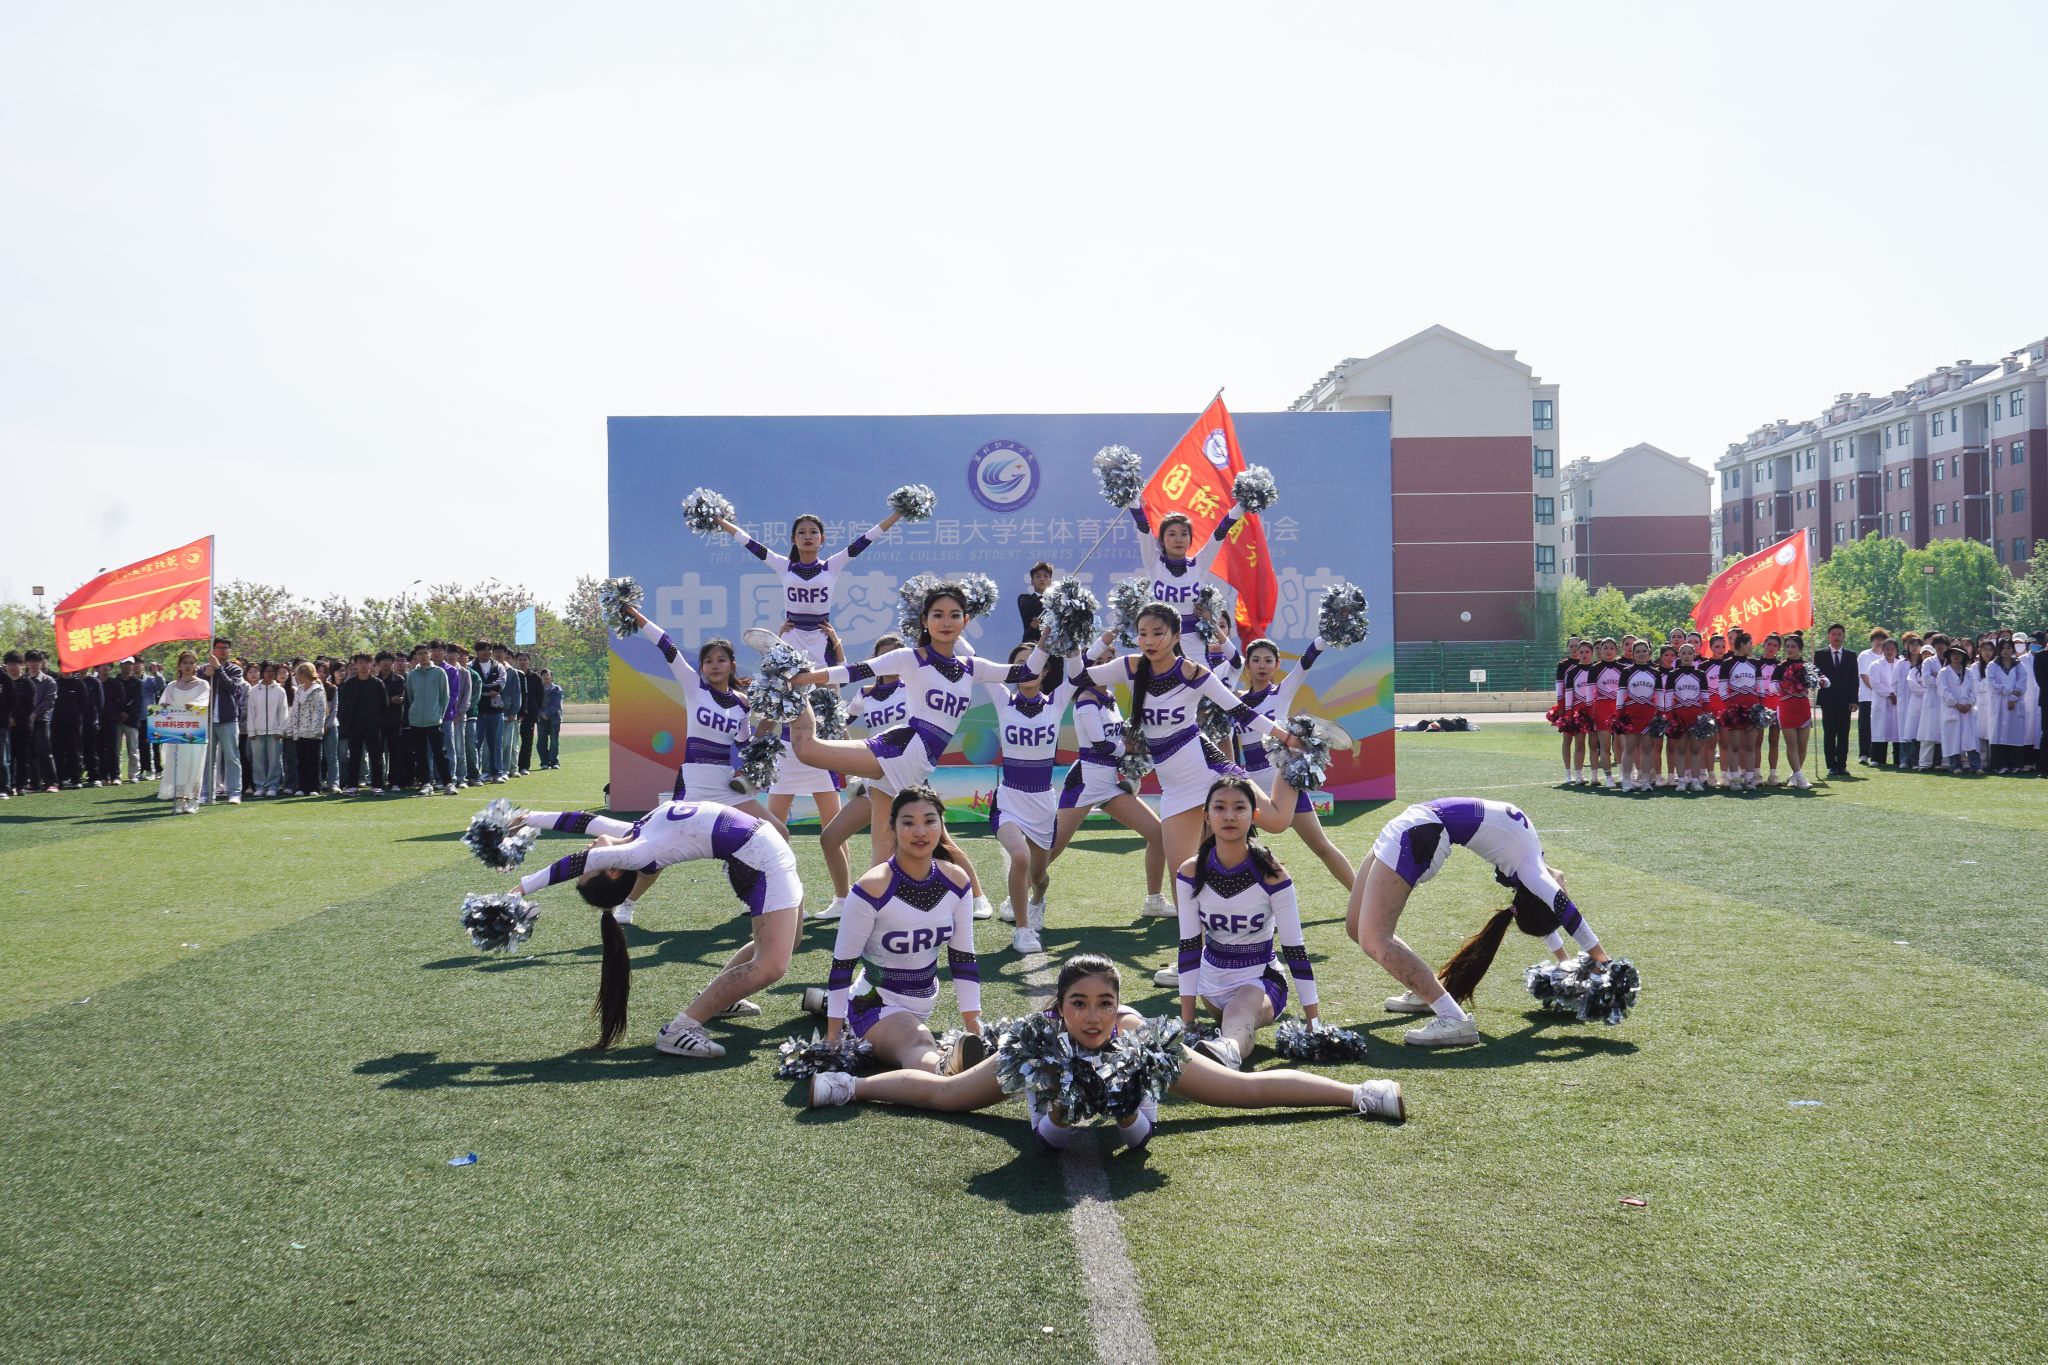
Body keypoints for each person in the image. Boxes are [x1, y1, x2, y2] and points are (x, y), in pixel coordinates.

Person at [807, 953, 1406, 1136]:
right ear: (1057, 1008)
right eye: (1078, 1003)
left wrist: (1358, 1093)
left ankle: (1359, 1093)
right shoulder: (1041, 1039)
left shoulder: (1135, 1036)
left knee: (1235, 1092)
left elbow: (1245, 1091)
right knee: (951, 1095)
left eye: (1104, 1004)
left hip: (1134, 1072)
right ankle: (849, 1084)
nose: (1093, 1017)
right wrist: (853, 1085)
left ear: (1118, 1007)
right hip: (1048, 1075)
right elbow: (946, 1097)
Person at [785, 581, 1042, 895]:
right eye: (937, 614)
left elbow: (1026, 673)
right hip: (903, 745)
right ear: (924, 620)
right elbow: (856, 671)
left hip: (917, 755)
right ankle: (882, 907)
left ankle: (962, 897)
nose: (946, 622)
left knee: (809, 751)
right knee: (881, 850)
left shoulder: (972, 667)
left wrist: (1047, 638)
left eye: (954, 615)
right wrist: (807, 677)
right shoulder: (909, 657)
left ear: (965, 620)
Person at [1077, 603, 1298, 962]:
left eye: (1158, 633)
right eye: (1142, 634)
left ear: (1177, 636)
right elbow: (1078, 676)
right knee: (1183, 877)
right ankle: (1195, 960)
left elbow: (1239, 710)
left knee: (1276, 821)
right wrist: (1104, 636)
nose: (1149, 641)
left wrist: (1285, 738)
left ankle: (1294, 768)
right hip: (1175, 786)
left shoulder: (1193, 672)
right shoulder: (1130, 666)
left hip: (1209, 769)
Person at [511, 801, 804, 1058]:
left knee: (791, 940)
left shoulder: (637, 832)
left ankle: (722, 999)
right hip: (760, 860)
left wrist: (528, 817)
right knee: (771, 966)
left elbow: (584, 821)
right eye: (589, 871)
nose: (586, 849)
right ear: (612, 869)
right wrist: (520, 890)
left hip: (764, 850)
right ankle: (679, 1030)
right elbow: (580, 862)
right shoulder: (637, 853)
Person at [1358, 797, 1604, 1048]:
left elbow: (1563, 911)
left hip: (1419, 831)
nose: (1564, 888)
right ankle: (1425, 990)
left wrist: (1599, 961)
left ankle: (1454, 1019)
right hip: (1414, 823)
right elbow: (1549, 911)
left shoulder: (1532, 871)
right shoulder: (1530, 871)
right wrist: (1571, 961)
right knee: (1356, 926)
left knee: (1375, 940)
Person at [818, 786, 983, 1075]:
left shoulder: (956, 880)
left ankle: (817, 1001)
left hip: (924, 1002)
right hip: (875, 1003)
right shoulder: (871, 887)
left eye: (930, 821)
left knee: (920, 1034)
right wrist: (833, 1037)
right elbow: (843, 964)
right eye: (908, 822)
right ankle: (943, 1069)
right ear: (892, 827)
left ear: (941, 825)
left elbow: (963, 958)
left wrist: (974, 1024)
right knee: (919, 1042)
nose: (920, 832)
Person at [1174, 777, 1320, 1072]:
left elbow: (1294, 948)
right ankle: (1221, 1046)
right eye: (1219, 807)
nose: (1229, 816)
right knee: (1232, 1013)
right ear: (1207, 816)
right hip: (1211, 985)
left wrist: (1313, 1022)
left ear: (1254, 815)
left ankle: (1225, 1055)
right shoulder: (1190, 871)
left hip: (1261, 981)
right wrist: (1188, 1023)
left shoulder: (1273, 875)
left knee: (1240, 1011)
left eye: (1239, 808)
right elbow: (1189, 947)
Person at [1045, 629, 1169, 921]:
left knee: (1159, 835)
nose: (1103, 666)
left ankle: (1154, 900)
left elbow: (1117, 734)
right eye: (1097, 662)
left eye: (1108, 661)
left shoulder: (1109, 696)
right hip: (1085, 782)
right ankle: (1016, 897)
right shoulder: (1086, 698)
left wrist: (1135, 739)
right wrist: (1128, 747)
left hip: (1110, 785)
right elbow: (1100, 744)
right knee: (1052, 848)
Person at [985, 640, 1095, 954]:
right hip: (1009, 799)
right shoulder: (1002, 699)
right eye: (1020, 664)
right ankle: (1022, 931)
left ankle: (1037, 900)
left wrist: (1071, 639)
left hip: (1043, 804)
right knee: (1019, 857)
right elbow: (971, 657)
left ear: (1045, 671)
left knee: (1039, 876)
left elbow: (1080, 670)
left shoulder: (1056, 702)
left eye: (1034, 663)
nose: (1027, 669)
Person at [715, 499, 904, 668]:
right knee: (788, 691)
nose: (807, 537)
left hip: (821, 639)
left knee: (828, 692)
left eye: (813, 532)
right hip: (791, 637)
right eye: (801, 532)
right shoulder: (784, 566)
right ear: (793, 539)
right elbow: (749, 543)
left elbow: (866, 539)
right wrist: (719, 520)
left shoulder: (831, 566)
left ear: (822, 539)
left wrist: (898, 513)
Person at [1233, 633, 1354, 887]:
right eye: (1256, 660)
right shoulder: (1235, 703)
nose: (1262, 665)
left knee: (1320, 845)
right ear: (1248, 664)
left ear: (1277, 665)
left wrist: (1325, 637)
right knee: (1238, 847)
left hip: (1283, 782)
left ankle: (1361, 897)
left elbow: (1306, 661)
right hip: (1251, 784)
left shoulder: (1281, 693)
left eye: (1268, 660)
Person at [155, 650, 211, 814]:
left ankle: (193, 800)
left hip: (195, 730)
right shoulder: (172, 685)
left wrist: (193, 705)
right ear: (179, 665)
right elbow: (163, 703)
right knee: (178, 764)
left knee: (195, 764)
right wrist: (165, 707)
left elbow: (203, 701)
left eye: (191, 663)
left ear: (196, 666)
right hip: (176, 731)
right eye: (185, 662)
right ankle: (179, 799)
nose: (188, 666)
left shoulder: (202, 684)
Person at [403, 644, 451, 795]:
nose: (423, 656)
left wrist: (439, 715)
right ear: (416, 656)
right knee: (420, 754)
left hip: (434, 720)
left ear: (429, 654)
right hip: (416, 721)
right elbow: (410, 697)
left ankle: (448, 783)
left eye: (425, 653)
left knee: (439, 753)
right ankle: (426, 783)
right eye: (419, 654)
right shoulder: (412, 675)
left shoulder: (439, 672)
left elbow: (444, 697)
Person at [1812, 624, 1858, 776]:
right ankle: (1831, 765)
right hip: (1828, 700)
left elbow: (1854, 679)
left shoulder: (1851, 655)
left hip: (1845, 701)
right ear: (1829, 637)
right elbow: (1815, 674)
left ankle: (1842, 765)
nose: (1836, 637)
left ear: (1844, 636)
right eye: (1833, 634)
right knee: (1829, 733)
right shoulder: (1820, 654)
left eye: (1839, 634)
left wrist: (1854, 700)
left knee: (1843, 734)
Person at [244, 662, 289, 798]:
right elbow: (251, 712)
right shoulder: (254, 690)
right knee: (258, 760)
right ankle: (259, 785)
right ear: (262, 672)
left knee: (275, 760)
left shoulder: (280, 690)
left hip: (275, 731)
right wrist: (251, 731)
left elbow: (283, 712)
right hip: (258, 731)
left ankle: (273, 785)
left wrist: (281, 730)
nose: (270, 674)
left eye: (272, 671)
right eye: (267, 671)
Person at [1986, 639, 2031, 774]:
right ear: (1999, 650)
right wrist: (2009, 691)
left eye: (2009, 648)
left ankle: (2015, 765)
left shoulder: (2019, 665)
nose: (2006, 651)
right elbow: (1992, 684)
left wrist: (2013, 698)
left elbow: (2022, 683)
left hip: (2015, 704)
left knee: (2014, 735)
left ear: (2012, 649)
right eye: (2003, 648)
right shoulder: (1992, 665)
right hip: (1999, 704)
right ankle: (1999, 765)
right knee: (1999, 734)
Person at [284, 661, 327, 796]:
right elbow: (294, 711)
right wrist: (291, 728)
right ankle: (302, 787)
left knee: (313, 761)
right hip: (299, 732)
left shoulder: (318, 690)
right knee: (301, 761)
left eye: (298, 674)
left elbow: (319, 712)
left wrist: (315, 731)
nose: (297, 677)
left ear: (304, 674)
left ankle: (314, 787)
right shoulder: (299, 690)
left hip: (312, 733)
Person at [1937, 644, 1981, 774]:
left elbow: (1974, 690)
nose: (1956, 656)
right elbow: (1943, 691)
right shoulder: (1943, 673)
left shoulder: (1969, 673)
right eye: (1953, 654)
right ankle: (1955, 766)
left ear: (1963, 657)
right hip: (1952, 710)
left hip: (1967, 711)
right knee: (1952, 739)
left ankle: (1976, 766)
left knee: (1971, 739)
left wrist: (1969, 704)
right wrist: (1956, 704)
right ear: (1949, 656)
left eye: (1959, 654)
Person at [19, 652, 58, 792]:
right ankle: (34, 783)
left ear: (41, 663)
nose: (33, 664)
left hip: (42, 720)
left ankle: (51, 783)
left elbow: (50, 701)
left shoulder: (49, 681)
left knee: (44, 751)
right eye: (30, 661)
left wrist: (35, 713)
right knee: (30, 752)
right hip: (26, 721)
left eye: (36, 661)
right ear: (26, 663)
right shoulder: (23, 680)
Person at [473, 641, 506, 783]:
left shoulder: (498, 666)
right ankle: (474, 774)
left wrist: (487, 689)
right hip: (477, 710)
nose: (487, 652)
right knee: (475, 743)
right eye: (483, 650)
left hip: (495, 711)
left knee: (496, 743)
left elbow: (501, 683)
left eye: (489, 649)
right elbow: (474, 685)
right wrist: (488, 690)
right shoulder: (470, 666)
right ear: (477, 652)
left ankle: (497, 773)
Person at [1868, 637, 1904, 768]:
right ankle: (1877, 758)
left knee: (1898, 731)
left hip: (1898, 701)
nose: (1890, 652)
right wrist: (1890, 694)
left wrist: (1897, 695)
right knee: (1880, 730)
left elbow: (1904, 682)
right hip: (1882, 701)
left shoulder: (1901, 664)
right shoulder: (1875, 665)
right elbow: (1875, 683)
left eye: (1892, 649)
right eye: (1887, 649)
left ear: (1896, 651)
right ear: (1883, 650)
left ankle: (1899, 759)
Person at [1855, 628, 1888, 765]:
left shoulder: (1887, 656)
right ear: (1872, 641)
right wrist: (1876, 690)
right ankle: (1864, 753)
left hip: (1883, 698)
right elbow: (1864, 676)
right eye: (1876, 639)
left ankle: (1878, 755)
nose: (1879, 642)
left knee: (1880, 726)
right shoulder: (1865, 655)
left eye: (1882, 639)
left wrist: (1884, 692)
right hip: (1867, 697)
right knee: (1865, 726)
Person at [495, 645, 524, 780]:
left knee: (507, 744)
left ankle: (506, 770)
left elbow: (517, 694)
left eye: (501, 652)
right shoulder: (491, 669)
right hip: (492, 713)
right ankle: (490, 770)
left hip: (508, 714)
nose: (498, 655)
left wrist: (514, 711)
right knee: (492, 745)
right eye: (496, 652)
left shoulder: (512, 672)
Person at [515, 650, 542, 777]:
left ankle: (524, 767)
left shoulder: (535, 677)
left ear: (529, 661)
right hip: (514, 713)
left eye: (525, 660)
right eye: (520, 659)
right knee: (511, 742)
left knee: (527, 741)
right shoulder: (513, 675)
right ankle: (510, 767)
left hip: (529, 714)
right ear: (516, 661)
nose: (523, 662)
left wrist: (535, 710)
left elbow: (540, 696)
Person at [1016, 561, 1054, 644]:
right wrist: (1050, 595)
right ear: (1032, 581)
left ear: (1050, 581)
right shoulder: (1024, 598)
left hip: (1053, 645)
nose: (1042, 579)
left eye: (1046, 576)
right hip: (1031, 644)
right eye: (1038, 576)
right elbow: (1028, 608)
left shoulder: (1057, 601)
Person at [139, 659, 165, 779]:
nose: (136, 666)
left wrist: (156, 673)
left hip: (152, 713)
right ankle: (146, 770)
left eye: (139, 663)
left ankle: (158, 770)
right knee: (143, 746)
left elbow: (160, 686)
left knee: (155, 744)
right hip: (139, 716)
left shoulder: (149, 679)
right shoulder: (133, 680)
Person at [537, 669, 563, 769]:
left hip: (554, 719)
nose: (546, 677)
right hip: (541, 719)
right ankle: (544, 762)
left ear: (551, 677)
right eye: (543, 675)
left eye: (547, 675)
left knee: (554, 741)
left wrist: (547, 713)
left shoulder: (557, 689)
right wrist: (541, 713)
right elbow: (536, 702)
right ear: (541, 677)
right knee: (541, 742)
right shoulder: (538, 689)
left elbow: (556, 704)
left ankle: (554, 762)